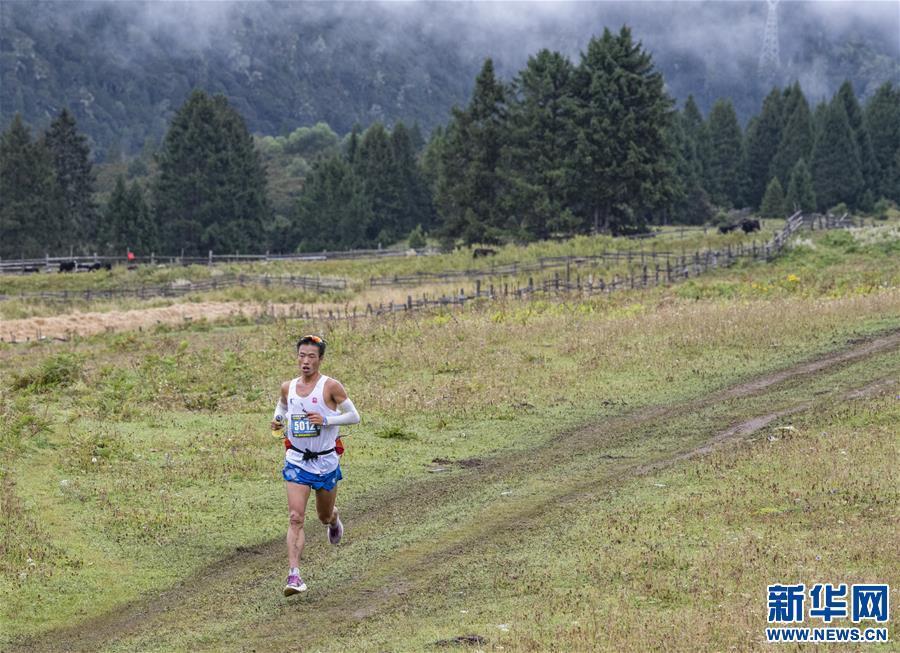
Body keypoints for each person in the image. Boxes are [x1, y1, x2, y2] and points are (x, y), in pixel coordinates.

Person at [271, 334, 361, 595]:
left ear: (320, 359)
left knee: (323, 516)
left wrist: (326, 420)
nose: (305, 361)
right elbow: (282, 407)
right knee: (295, 517)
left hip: (325, 460)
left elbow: (354, 417)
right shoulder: (288, 387)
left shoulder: (330, 386)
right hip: (297, 459)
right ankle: (294, 576)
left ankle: (334, 519)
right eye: (302, 355)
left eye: (311, 356)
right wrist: (278, 420)